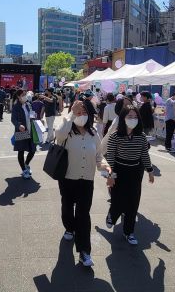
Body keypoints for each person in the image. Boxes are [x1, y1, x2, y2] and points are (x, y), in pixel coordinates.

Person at [54, 100, 109, 267]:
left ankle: (84, 251)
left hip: (87, 180)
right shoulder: (66, 130)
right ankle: (69, 227)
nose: (81, 115)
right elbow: (58, 134)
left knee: (84, 215)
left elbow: (99, 155)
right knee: (67, 205)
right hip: (68, 178)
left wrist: (104, 166)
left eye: (84, 112)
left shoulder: (93, 133)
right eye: (78, 112)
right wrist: (70, 113)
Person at [104, 105, 154, 245]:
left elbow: (144, 154)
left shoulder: (141, 136)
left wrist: (150, 171)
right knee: (117, 200)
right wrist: (110, 176)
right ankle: (112, 215)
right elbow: (111, 157)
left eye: (135, 116)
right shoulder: (115, 136)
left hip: (135, 172)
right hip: (119, 171)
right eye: (129, 116)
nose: (133, 119)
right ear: (123, 118)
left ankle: (129, 232)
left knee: (132, 202)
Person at [11, 90, 36, 179]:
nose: (25, 96)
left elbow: (31, 114)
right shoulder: (16, 106)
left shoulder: (28, 104)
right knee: (21, 151)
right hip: (21, 131)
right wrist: (19, 125)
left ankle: (26, 164)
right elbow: (13, 119)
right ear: (18, 96)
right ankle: (24, 170)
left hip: (30, 131)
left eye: (25, 94)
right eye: (23, 95)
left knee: (33, 150)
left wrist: (34, 117)